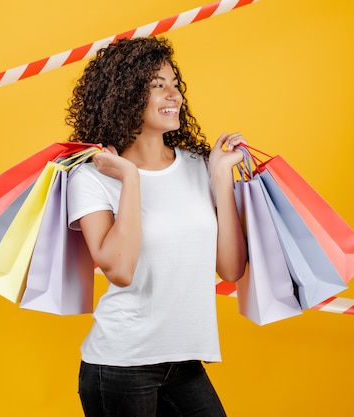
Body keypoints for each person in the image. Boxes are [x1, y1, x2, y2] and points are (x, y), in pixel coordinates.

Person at [65, 36, 248, 417]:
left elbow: (230, 270)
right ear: (125, 96)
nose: (175, 95)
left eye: (175, 84)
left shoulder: (199, 167)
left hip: (184, 362)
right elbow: (119, 269)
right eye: (157, 86)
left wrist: (219, 177)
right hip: (120, 365)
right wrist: (130, 179)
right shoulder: (93, 177)